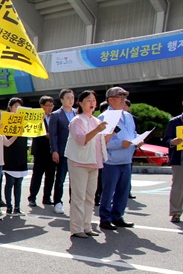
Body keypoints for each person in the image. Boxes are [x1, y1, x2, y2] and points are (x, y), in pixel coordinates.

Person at [64, 90, 111, 238]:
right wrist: (97, 130)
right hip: (79, 161)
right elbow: (81, 140)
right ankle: (77, 228)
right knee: (79, 196)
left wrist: (110, 133)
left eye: (93, 100)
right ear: (81, 103)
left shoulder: (96, 121)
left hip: (94, 162)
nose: (92, 103)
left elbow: (101, 142)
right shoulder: (77, 120)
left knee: (90, 196)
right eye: (88, 100)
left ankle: (87, 225)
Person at [98, 87, 140, 230]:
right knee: (108, 191)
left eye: (124, 96)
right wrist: (120, 144)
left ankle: (117, 216)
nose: (123, 99)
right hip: (111, 161)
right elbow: (102, 142)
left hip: (126, 159)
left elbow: (133, 133)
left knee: (123, 190)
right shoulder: (104, 117)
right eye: (119, 96)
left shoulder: (128, 116)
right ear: (110, 100)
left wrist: (137, 140)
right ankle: (105, 218)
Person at [49, 88, 77, 214]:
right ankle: (58, 202)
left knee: (75, 179)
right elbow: (53, 135)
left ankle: (74, 201)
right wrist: (54, 150)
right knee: (60, 178)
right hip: (63, 151)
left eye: (72, 98)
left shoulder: (77, 114)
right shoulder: (56, 115)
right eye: (68, 98)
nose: (70, 100)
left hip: (77, 152)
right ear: (61, 100)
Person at [28, 95, 55, 207]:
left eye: (51, 105)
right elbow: (32, 132)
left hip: (52, 150)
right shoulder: (36, 117)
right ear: (41, 106)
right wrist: (45, 135)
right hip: (40, 150)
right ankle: (32, 197)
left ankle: (47, 197)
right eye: (47, 105)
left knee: (51, 175)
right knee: (37, 175)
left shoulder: (54, 117)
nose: (49, 108)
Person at [3, 98, 28, 216]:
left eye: (20, 107)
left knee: (19, 184)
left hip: (21, 155)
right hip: (10, 155)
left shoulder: (24, 121)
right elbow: (5, 140)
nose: (18, 109)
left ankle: (17, 207)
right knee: (10, 183)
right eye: (15, 107)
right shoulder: (5, 120)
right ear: (10, 107)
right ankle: (9, 207)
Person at [163, 103, 183, 223]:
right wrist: (173, 141)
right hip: (179, 157)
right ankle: (176, 212)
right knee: (178, 187)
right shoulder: (174, 122)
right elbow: (166, 139)